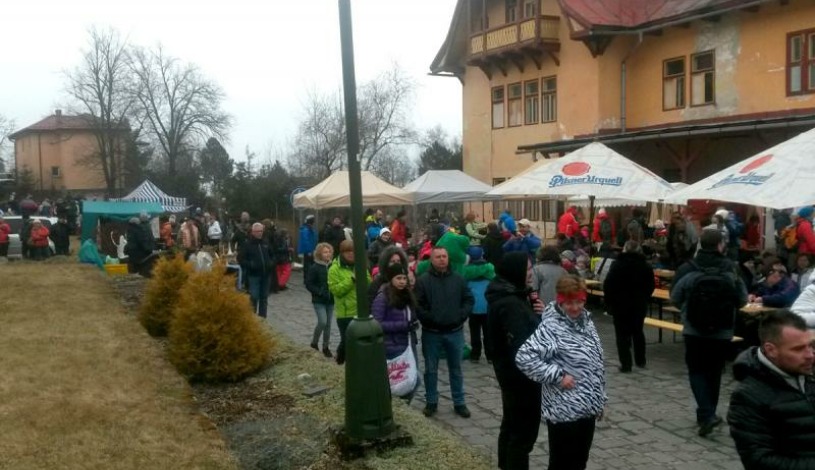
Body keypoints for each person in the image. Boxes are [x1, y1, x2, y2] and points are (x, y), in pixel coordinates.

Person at [516, 275, 606, 470]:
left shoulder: (587, 323)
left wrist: (599, 400)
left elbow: (595, 365)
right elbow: (524, 357)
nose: (574, 307)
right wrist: (557, 376)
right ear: (560, 301)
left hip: (587, 408)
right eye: (569, 303)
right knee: (562, 463)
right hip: (563, 409)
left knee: (580, 461)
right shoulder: (551, 326)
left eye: (579, 301)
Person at [670, 229, 748, 437]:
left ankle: (706, 414)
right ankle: (708, 414)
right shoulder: (731, 269)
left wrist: (689, 310)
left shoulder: (688, 268)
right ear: (720, 245)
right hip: (722, 331)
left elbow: (675, 296)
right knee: (714, 372)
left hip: (694, 330)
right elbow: (742, 300)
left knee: (696, 371)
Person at [727, 310, 815, 468]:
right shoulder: (749, 396)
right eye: (798, 349)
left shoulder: (807, 373)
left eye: (811, 346)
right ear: (771, 350)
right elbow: (759, 461)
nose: (810, 355)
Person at [485, 251, 543, 470]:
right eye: (527, 269)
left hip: (511, 375)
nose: (531, 273)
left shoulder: (513, 295)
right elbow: (526, 344)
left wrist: (539, 313)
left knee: (511, 426)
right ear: (515, 271)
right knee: (522, 436)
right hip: (521, 379)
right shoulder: (510, 303)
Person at [415, 246, 474, 418]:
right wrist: (430, 318)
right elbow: (418, 304)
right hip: (431, 332)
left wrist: (460, 316)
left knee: (456, 369)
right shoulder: (423, 280)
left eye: (444, 256)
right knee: (431, 369)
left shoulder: (458, 279)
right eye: (438, 256)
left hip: (455, 331)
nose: (442, 259)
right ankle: (431, 401)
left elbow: (468, 300)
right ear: (432, 259)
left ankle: (459, 402)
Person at [371, 262, 421, 403]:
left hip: (406, 344)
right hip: (390, 346)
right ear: (391, 279)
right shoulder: (382, 297)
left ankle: (400, 407)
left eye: (404, 278)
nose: (402, 282)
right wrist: (403, 325)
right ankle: (397, 408)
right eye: (398, 278)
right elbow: (377, 324)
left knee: (411, 380)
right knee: (401, 382)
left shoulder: (407, 296)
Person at [604, 241, 655, 372]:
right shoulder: (645, 266)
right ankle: (640, 360)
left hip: (620, 304)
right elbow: (650, 286)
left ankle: (626, 364)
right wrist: (645, 297)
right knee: (638, 332)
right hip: (639, 303)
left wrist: (609, 302)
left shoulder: (617, 265)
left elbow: (608, 285)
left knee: (621, 335)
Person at [328, 239, 371, 365]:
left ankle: (355, 364)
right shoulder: (334, 269)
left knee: (359, 341)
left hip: (361, 311)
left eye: (353, 251)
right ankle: (340, 361)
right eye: (347, 252)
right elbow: (336, 290)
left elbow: (369, 282)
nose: (351, 254)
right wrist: (352, 280)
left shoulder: (360, 265)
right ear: (342, 253)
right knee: (347, 341)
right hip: (345, 314)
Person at [462, 247, 496, 363]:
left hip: (473, 308)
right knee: (488, 333)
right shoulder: (490, 269)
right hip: (487, 307)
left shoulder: (466, 271)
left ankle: (475, 355)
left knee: (474, 333)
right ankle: (490, 356)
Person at [238, 222, 274, 318]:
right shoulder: (247, 244)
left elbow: (273, 255)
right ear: (253, 232)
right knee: (254, 296)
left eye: (261, 231)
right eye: (257, 231)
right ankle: (252, 317)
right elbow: (241, 259)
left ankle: (262, 318)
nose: (260, 233)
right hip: (253, 275)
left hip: (266, 274)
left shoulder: (265, 243)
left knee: (264, 297)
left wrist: (271, 263)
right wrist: (251, 265)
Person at [305, 242, 334, 358]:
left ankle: (326, 347)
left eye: (329, 252)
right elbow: (308, 283)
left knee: (328, 325)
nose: (327, 254)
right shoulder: (315, 267)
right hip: (319, 300)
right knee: (322, 321)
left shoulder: (333, 266)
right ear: (319, 254)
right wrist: (319, 291)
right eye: (325, 252)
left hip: (331, 299)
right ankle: (314, 342)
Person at [298, 214, 318, 283]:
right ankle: (307, 279)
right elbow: (306, 241)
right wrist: (309, 251)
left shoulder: (308, 229)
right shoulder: (306, 230)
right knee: (308, 265)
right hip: (308, 251)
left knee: (309, 265)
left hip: (311, 250)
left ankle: (309, 279)